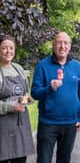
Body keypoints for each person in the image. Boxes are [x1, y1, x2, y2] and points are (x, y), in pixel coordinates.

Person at [31, 31, 80, 163]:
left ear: (70, 46)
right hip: (48, 122)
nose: (62, 46)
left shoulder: (76, 66)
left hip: (70, 123)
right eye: (59, 42)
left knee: (64, 160)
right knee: (44, 160)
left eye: (65, 43)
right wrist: (50, 88)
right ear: (53, 45)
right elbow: (35, 92)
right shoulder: (43, 65)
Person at [0, 35, 35, 163]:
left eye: (11, 48)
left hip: (21, 127)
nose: (8, 51)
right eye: (4, 48)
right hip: (3, 128)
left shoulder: (18, 68)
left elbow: (25, 92)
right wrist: (11, 107)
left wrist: (27, 98)